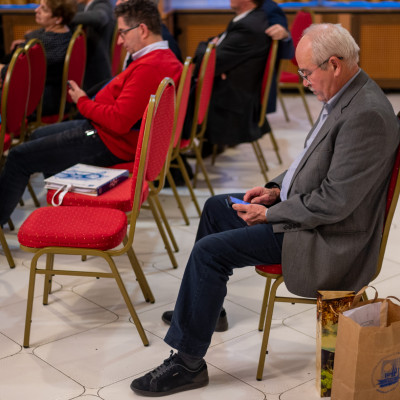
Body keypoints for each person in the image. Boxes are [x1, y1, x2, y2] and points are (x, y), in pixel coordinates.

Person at [129, 23, 400, 397]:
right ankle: (206, 311)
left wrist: (272, 214)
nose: (303, 81)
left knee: (210, 253)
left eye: (307, 73)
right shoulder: (345, 96)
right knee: (216, 208)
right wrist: (274, 191)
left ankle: (188, 364)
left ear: (335, 65)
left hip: (325, 237)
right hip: (305, 216)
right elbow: (312, 162)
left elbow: (334, 202)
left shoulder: (365, 114)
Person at [0, 0, 182, 227]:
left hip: (108, 141)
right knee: (37, 136)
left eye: (123, 33)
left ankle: (58, 214)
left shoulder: (149, 66)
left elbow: (118, 122)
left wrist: (83, 101)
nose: (119, 41)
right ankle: (63, 211)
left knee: (18, 157)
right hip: (105, 133)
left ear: (142, 30)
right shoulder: (164, 57)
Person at [0, 0, 77, 117]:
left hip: (39, 100)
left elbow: (13, 73)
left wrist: (2, 68)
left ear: (58, 19)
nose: (36, 10)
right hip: (49, 93)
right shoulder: (64, 32)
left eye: (44, 9)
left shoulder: (45, 43)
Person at [71, 0, 115, 90]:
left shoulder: (103, 4)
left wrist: (62, 18)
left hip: (96, 76)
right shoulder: (83, 6)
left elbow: (100, 17)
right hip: (87, 69)